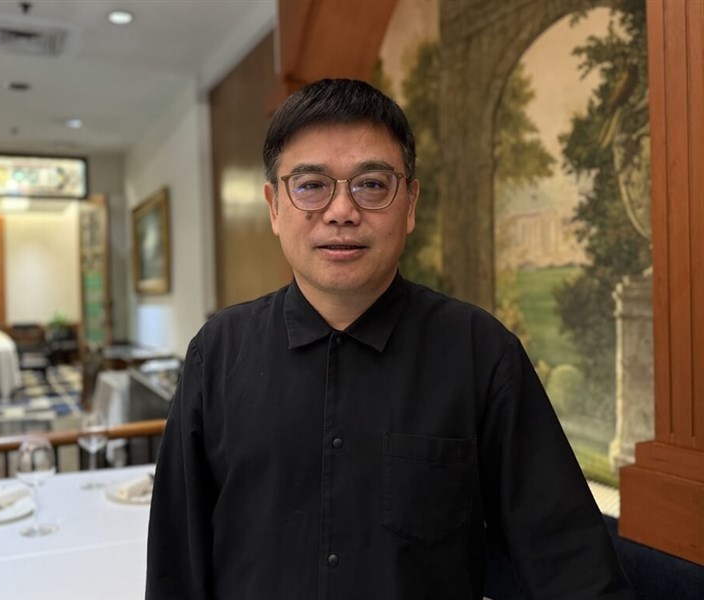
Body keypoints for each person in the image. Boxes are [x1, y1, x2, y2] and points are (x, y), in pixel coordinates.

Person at [146, 78, 633, 600]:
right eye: (310, 185)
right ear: (274, 207)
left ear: (411, 203)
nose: (341, 211)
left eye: (372, 185)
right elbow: (177, 565)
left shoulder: (481, 353)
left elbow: (573, 565)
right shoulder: (217, 354)